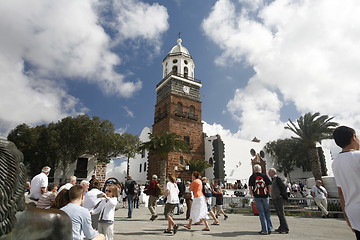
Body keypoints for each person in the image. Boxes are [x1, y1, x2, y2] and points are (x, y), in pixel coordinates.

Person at [332, 126, 360, 239]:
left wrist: (347, 216)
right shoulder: (357, 156)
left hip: (353, 212)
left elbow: (340, 191)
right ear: (353, 137)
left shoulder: (335, 163)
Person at [249, 164, 272, 235]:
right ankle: (269, 228)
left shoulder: (252, 177)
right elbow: (269, 185)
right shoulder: (265, 176)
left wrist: (252, 195)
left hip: (257, 196)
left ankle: (264, 230)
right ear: (260, 169)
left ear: (254, 170)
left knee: (261, 213)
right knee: (267, 212)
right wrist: (268, 193)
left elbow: (250, 187)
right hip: (265, 196)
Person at [268, 168, 289, 234]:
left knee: (281, 213)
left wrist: (281, 195)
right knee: (279, 213)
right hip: (275, 198)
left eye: (270, 172)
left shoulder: (278, 179)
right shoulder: (273, 179)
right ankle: (281, 226)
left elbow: (283, 187)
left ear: (273, 173)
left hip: (278, 198)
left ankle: (285, 228)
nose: (269, 173)